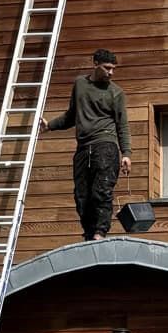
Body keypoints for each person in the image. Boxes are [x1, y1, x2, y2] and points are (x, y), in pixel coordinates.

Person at [40, 48, 132, 240]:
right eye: (107, 68)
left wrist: (126, 153)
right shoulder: (80, 84)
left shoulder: (116, 93)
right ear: (95, 64)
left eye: (113, 69)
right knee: (82, 196)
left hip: (105, 146)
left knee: (102, 191)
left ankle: (100, 232)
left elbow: (122, 124)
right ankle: (90, 235)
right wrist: (50, 125)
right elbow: (72, 115)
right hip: (83, 148)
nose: (111, 73)